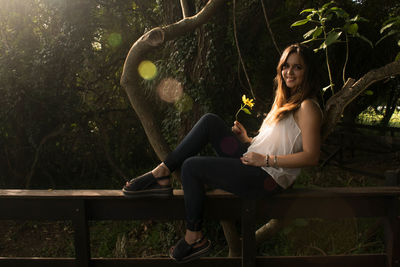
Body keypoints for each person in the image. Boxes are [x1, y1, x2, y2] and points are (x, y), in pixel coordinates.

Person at [122, 43, 323, 263]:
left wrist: (265, 159)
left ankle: (194, 237)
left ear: (308, 71)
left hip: (267, 178)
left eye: (297, 67)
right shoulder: (285, 102)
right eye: (285, 66)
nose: (289, 72)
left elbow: (312, 156)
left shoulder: (307, 107)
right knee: (210, 121)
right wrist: (248, 140)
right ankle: (162, 171)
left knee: (191, 167)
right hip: (253, 164)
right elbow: (280, 141)